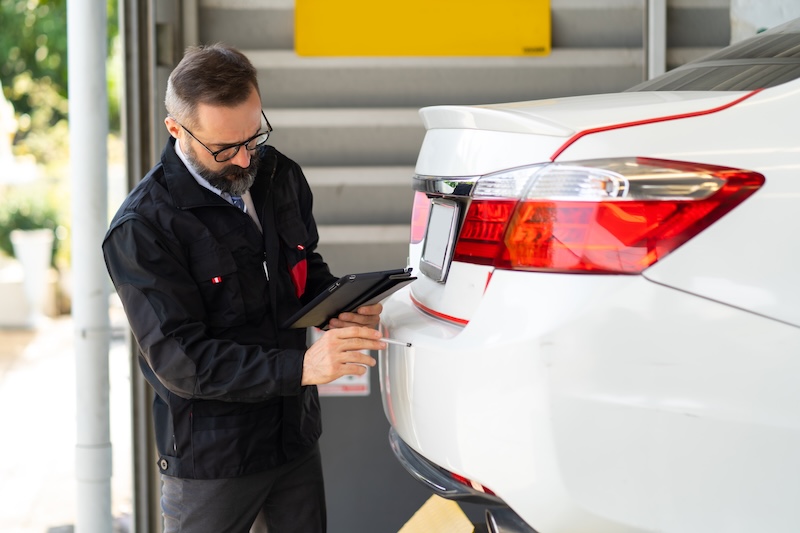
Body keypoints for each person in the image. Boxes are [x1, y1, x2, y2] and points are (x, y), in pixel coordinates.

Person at [102, 43, 386, 533]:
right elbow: (182, 360)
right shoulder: (143, 227)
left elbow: (300, 270)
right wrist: (304, 366)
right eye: (223, 148)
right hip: (213, 459)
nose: (243, 158)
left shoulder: (278, 175)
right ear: (176, 129)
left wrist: (341, 305)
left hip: (292, 437)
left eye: (252, 136)